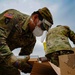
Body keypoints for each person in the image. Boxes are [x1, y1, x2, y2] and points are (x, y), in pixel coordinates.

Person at [0, 7, 53, 75]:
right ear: (35, 17)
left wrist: (33, 68)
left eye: (44, 30)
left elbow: (23, 58)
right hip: (5, 56)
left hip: (3, 57)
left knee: (14, 72)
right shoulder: (13, 16)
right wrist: (13, 60)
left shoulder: (31, 40)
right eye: (42, 27)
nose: (41, 31)